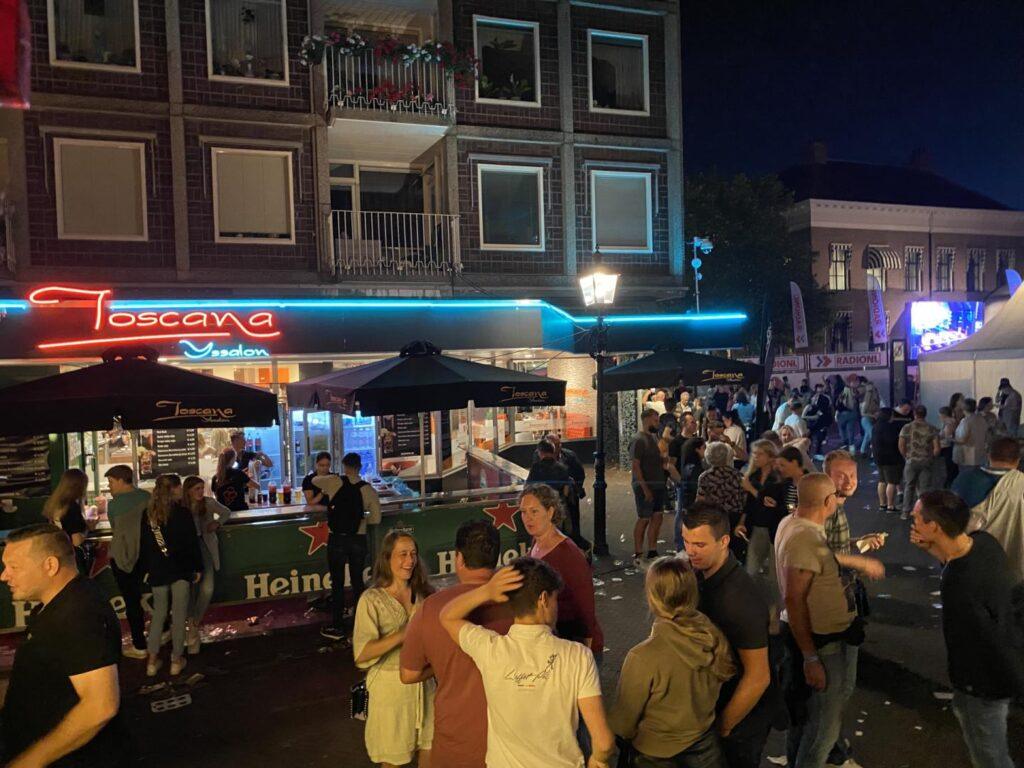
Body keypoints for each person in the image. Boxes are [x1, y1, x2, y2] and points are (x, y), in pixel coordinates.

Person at [438, 558, 616, 768]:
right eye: (555, 599)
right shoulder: (579, 656)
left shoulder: (490, 649)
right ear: (543, 599)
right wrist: (598, 758)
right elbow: (604, 742)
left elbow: (447, 616)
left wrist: (487, 591)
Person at [910, 491, 1024, 768]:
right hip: (1007, 656)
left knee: (989, 755)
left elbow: (971, 640)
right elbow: (957, 561)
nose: (912, 523)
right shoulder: (984, 543)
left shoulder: (958, 583)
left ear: (934, 527)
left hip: (984, 682)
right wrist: (932, 549)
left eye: (916, 519)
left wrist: (969, 684)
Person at [0, 524, 130, 767]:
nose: (4, 576)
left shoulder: (79, 614)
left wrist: (27, 763)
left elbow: (101, 706)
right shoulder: (56, 605)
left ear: (50, 565)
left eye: (14, 567)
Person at [775, 474, 880, 768]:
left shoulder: (794, 524)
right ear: (827, 501)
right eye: (835, 494)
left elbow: (818, 559)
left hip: (826, 637)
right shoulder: (804, 537)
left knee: (808, 716)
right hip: (822, 642)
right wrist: (810, 657)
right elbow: (794, 599)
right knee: (824, 727)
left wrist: (856, 558)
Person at [400, 521, 512, 768]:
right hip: (513, 743)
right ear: (496, 557)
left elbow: (409, 674)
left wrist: (441, 663)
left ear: (458, 558)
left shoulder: (431, 608)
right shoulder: (520, 604)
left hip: (456, 743)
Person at [610, 556, 736, 767]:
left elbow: (624, 722)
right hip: (706, 748)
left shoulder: (643, 657)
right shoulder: (713, 638)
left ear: (652, 597)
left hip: (654, 754)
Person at [683, 503, 776, 768]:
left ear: (724, 541)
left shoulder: (739, 600)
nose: (690, 551)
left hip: (740, 723)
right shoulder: (703, 575)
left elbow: (758, 677)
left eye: (699, 544)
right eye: (686, 541)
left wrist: (722, 728)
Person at [354, 531, 436, 768]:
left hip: (425, 687)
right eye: (402, 554)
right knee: (393, 760)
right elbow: (362, 653)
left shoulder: (425, 595)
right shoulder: (371, 600)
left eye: (413, 554)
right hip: (390, 693)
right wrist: (403, 633)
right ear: (387, 558)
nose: (409, 561)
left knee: (431, 749)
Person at [521, 484, 603, 655]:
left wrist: (586, 651)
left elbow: (585, 606)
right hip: (552, 639)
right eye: (523, 512)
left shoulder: (568, 553)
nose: (528, 518)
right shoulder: (537, 541)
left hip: (572, 642)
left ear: (550, 512)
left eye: (534, 511)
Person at [140, 474, 202, 678]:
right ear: (174, 489)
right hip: (181, 569)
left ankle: (151, 661)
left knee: (159, 615)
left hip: (158, 570)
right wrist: (197, 567)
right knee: (179, 615)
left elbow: (145, 546)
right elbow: (192, 544)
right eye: (179, 487)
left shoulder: (149, 514)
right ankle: (176, 660)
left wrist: (148, 568)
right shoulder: (183, 513)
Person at [318, 452, 382, 641]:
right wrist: (360, 519)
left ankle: (337, 626)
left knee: (337, 584)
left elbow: (314, 480)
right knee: (357, 582)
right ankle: (361, 626)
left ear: (344, 466)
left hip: (336, 539)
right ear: (360, 467)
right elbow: (376, 519)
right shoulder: (368, 489)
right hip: (358, 539)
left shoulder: (333, 482)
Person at [952, 436, 1024, 584]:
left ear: (989, 455)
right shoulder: (1020, 484)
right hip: (1012, 562)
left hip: (971, 560)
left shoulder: (965, 479)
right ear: (1018, 460)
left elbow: (951, 519)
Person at [104, 464, 151, 659]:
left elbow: (115, 528)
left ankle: (139, 645)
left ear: (122, 480)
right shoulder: (147, 497)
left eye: (111, 482)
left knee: (131, 601)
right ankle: (163, 631)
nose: (109, 486)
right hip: (146, 556)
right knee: (155, 594)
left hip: (121, 557)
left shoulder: (113, 505)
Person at [181, 475, 231, 655]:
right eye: (197, 489)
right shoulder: (181, 506)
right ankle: (191, 628)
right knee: (190, 589)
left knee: (207, 587)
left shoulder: (208, 503)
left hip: (204, 546)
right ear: (188, 490)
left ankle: (193, 623)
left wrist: (217, 523)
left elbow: (226, 512)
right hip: (187, 549)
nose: (201, 492)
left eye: (202, 488)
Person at [735, 441, 782, 594]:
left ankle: (776, 605)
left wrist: (751, 489)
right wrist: (741, 523)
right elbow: (748, 504)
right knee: (751, 569)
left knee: (775, 574)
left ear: (770, 456)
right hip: (756, 525)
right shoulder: (753, 476)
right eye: (754, 453)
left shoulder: (777, 478)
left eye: (760, 454)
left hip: (774, 528)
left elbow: (770, 502)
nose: (755, 457)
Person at [631, 408, 669, 565]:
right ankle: (638, 552)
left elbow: (661, 459)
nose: (658, 423)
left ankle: (652, 550)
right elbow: (636, 466)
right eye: (655, 420)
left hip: (658, 483)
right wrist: (645, 488)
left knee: (657, 516)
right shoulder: (639, 440)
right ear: (646, 420)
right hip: (646, 485)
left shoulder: (654, 437)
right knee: (644, 518)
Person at [542, 433, 588, 548]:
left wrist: (574, 486)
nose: (558, 447)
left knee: (571, 520)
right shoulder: (540, 455)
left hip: (569, 497)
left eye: (559, 444)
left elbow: (580, 473)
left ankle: (574, 542)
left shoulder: (569, 456)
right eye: (555, 445)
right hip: (552, 496)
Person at [43, 468, 91, 574]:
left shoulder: (52, 504)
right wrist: (88, 529)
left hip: (59, 555)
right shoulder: (72, 507)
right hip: (73, 558)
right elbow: (77, 541)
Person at [696, 442, 746, 543]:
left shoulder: (705, 476)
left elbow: (701, 500)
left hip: (714, 517)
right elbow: (744, 498)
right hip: (735, 517)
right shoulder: (738, 475)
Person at [899, 405, 940, 520]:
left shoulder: (907, 427)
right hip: (926, 461)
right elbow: (937, 448)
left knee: (909, 486)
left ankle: (905, 512)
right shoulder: (932, 428)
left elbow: (901, 445)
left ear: (914, 414)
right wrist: (931, 458)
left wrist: (906, 456)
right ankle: (923, 513)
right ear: (925, 414)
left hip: (911, 461)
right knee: (924, 489)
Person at [668, 436, 707, 552]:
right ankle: (683, 546)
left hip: (687, 500)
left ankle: (681, 546)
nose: (706, 450)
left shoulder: (688, 466)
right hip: (691, 502)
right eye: (704, 447)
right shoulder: (696, 469)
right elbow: (695, 489)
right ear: (697, 449)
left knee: (681, 517)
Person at [871, 408, 904, 513]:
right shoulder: (889, 427)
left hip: (878, 457)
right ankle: (890, 506)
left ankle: (882, 504)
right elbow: (893, 442)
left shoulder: (876, 426)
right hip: (890, 458)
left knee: (882, 481)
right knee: (891, 482)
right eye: (892, 415)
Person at [526, 440, 575, 508]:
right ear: (553, 451)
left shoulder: (536, 468)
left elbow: (528, 487)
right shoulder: (562, 468)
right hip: (558, 505)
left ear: (540, 452)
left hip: (542, 505)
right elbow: (566, 491)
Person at [212, 447, 256, 512]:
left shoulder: (215, 478)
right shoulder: (239, 473)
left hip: (224, 514)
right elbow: (256, 486)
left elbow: (217, 496)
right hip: (241, 512)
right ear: (233, 459)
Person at [954, 398, 990, 474]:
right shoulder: (981, 419)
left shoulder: (966, 421)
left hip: (968, 454)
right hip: (980, 452)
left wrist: (951, 439)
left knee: (966, 475)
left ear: (963, 408)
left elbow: (963, 440)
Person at [804, 385, 833, 458]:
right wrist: (813, 417)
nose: (815, 399)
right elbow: (803, 416)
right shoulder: (808, 406)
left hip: (819, 423)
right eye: (814, 398)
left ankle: (817, 452)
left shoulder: (823, 401)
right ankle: (807, 453)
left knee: (819, 437)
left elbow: (827, 409)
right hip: (810, 424)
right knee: (809, 439)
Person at [834, 381, 860, 453]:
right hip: (853, 413)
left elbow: (838, 404)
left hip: (843, 413)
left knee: (841, 427)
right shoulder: (855, 392)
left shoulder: (843, 392)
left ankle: (844, 441)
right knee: (850, 429)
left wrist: (836, 414)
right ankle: (851, 446)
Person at [858, 377, 880, 458]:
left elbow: (864, 410)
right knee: (871, 435)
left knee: (868, 435)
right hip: (869, 417)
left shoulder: (868, 392)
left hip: (867, 417)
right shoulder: (873, 391)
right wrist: (874, 414)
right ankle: (873, 453)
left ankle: (863, 451)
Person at [938, 406, 959, 487]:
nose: (939, 417)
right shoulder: (952, 422)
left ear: (943, 415)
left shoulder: (949, 423)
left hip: (948, 447)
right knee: (951, 468)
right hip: (950, 447)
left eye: (940, 415)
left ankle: (949, 484)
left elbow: (947, 435)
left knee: (949, 468)